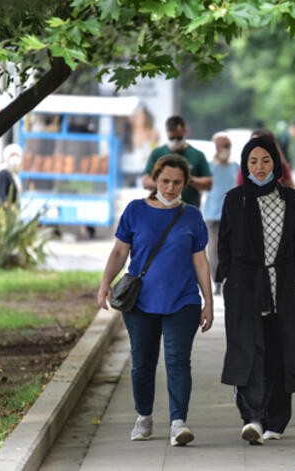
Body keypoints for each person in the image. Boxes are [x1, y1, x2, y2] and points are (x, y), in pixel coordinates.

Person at [97, 154, 214, 446]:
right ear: (154, 180)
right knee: (142, 362)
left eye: (177, 182)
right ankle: (144, 417)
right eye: (165, 181)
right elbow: (119, 253)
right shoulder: (136, 210)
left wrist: (208, 302)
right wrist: (105, 283)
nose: (171, 187)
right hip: (141, 302)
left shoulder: (192, 216)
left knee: (178, 362)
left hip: (183, 301)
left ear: (185, 183)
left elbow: (200, 262)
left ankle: (178, 423)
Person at [216, 136, 295, 445]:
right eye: (253, 162)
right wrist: (227, 280)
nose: (259, 168)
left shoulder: (292, 201)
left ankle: (276, 419)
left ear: (276, 163)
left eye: (266, 161)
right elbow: (224, 246)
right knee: (248, 352)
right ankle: (253, 418)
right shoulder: (235, 199)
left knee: (280, 353)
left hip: (282, 287)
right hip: (245, 288)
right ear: (245, 165)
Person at [142, 115, 212, 207]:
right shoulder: (157, 153)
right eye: (172, 138)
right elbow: (145, 182)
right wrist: (164, 183)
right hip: (161, 209)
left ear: (184, 131)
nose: (175, 141)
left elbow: (208, 183)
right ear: (167, 132)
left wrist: (189, 180)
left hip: (188, 208)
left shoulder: (197, 155)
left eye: (178, 137)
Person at [202, 132, 239, 296]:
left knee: (232, 249)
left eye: (227, 146)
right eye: (221, 146)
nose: (224, 149)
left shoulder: (235, 167)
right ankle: (217, 280)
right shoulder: (209, 167)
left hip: (232, 214)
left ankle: (230, 279)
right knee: (214, 249)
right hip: (212, 214)